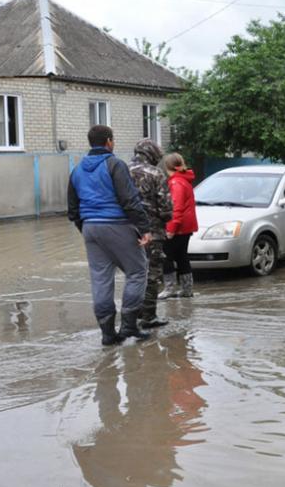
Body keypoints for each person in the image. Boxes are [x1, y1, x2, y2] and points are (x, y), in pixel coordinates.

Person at [67, 125, 153, 345]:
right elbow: (129, 200)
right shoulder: (115, 164)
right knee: (137, 271)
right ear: (108, 141)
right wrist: (144, 228)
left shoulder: (76, 170)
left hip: (90, 228)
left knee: (100, 279)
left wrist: (85, 228)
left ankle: (107, 333)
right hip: (116, 224)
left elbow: (72, 209)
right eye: (113, 140)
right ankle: (129, 326)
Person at [128, 139, 173, 328]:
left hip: (126, 231)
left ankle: (132, 313)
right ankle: (148, 316)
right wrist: (165, 218)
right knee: (152, 273)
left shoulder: (122, 170)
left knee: (134, 273)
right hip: (153, 231)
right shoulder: (156, 173)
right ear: (152, 154)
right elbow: (165, 207)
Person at [160, 153, 198, 299]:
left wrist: (171, 229)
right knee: (182, 256)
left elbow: (176, 208)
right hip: (186, 227)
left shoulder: (176, 183)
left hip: (178, 228)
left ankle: (169, 288)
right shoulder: (184, 180)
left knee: (167, 256)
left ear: (167, 167)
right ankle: (187, 289)